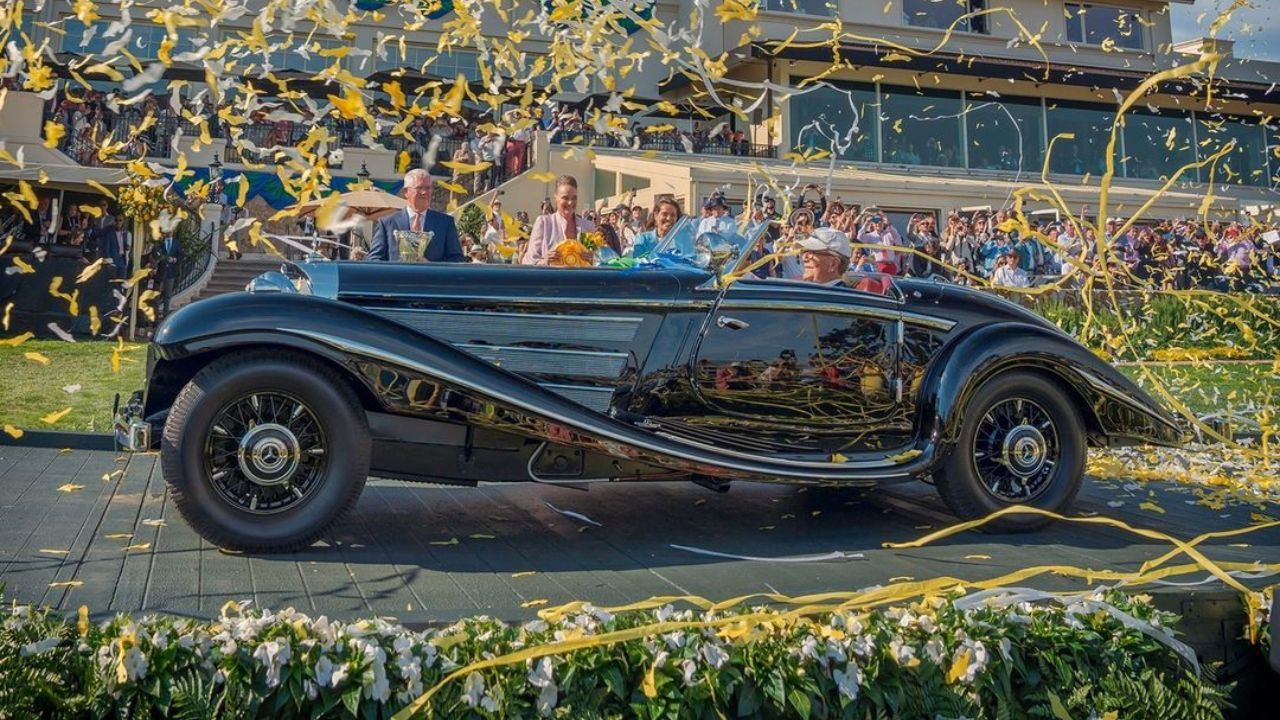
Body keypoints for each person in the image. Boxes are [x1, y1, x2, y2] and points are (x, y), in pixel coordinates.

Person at [366, 169, 464, 262]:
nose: (424, 192)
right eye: (419, 188)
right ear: (405, 192)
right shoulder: (387, 223)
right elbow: (374, 259)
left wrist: (430, 266)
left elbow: (456, 259)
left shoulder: (445, 223)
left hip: (431, 279)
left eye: (428, 188)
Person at [522, 174, 595, 265]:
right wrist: (545, 261)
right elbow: (528, 262)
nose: (570, 202)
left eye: (574, 198)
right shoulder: (544, 223)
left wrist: (593, 259)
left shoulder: (588, 226)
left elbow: (601, 262)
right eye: (565, 198)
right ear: (556, 197)